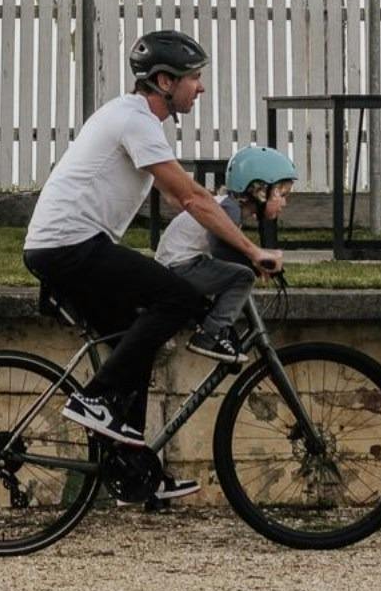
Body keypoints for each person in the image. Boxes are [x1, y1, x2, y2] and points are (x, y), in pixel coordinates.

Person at [23, 30, 284, 474]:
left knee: (133, 337)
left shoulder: (135, 121)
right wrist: (251, 250)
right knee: (179, 297)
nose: (199, 88)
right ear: (165, 82)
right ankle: (94, 399)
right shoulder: (136, 121)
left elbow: (181, 197)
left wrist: (224, 235)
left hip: (67, 245)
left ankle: (135, 466)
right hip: (70, 245)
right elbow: (192, 200)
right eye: (193, 78)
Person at [152, 144, 300, 366]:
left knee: (235, 274)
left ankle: (215, 330)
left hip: (178, 266)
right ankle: (210, 336)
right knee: (243, 277)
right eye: (282, 194)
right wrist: (252, 261)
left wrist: (251, 258)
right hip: (180, 268)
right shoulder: (230, 209)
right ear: (259, 191)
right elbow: (218, 245)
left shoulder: (227, 206)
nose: (285, 202)